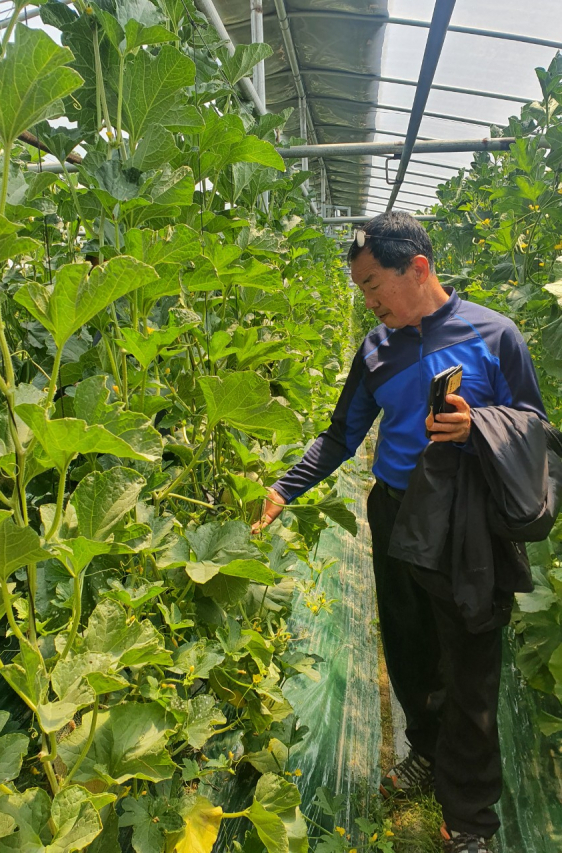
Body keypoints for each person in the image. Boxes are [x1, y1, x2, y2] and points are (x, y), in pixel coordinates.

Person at [253, 211, 547, 853]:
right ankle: (426, 747)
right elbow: (342, 433)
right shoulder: (376, 350)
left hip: (466, 523)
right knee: (410, 649)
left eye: (371, 285)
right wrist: (284, 487)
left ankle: (469, 819)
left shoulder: (494, 336)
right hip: (393, 513)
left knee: (470, 668)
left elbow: (535, 424)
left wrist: (482, 425)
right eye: (361, 289)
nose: (367, 300)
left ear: (417, 269)